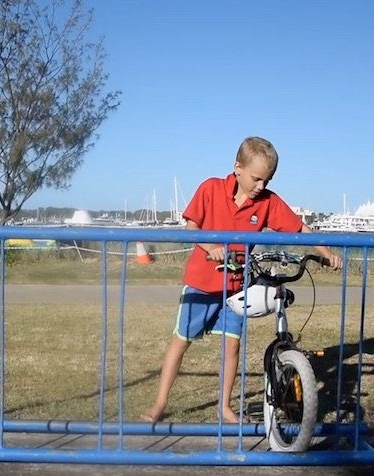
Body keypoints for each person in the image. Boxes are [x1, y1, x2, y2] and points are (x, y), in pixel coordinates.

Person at [140, 136, 342, 424]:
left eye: (267, 181)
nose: (261, 187)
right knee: (181, 342)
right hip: (201, 284)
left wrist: (327, 253)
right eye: (256, 179)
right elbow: (191, 226)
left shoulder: (267, 202)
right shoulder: (210, 188)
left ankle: (224, 407)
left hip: (235, 289)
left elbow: (299, 228)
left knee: (232, 345)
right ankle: (159, 404)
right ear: (237, 168)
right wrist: (210, 247)